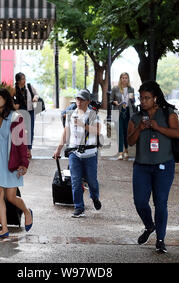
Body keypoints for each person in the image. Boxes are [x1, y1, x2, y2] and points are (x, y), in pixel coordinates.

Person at [127, 81, 179, 253]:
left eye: (147, 98)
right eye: (141, 98)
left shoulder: (168, 113)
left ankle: (160, 240)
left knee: (161, 203)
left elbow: (176, 133)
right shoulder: (135, 117)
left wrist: (158, 127)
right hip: (141, 167)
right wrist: (140, 129)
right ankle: (150, 226)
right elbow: (129, 141)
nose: (143, 101)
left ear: (155, 98)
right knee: (140, 202)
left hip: (164, 165)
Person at [0, 88, 33, 238]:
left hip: (11, 160)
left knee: (11, 197)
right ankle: (4, 229)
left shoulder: (15, 118)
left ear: (6, 99)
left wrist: (24, 163)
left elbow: (21, 143)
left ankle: (26, 211)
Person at [53, 89, 102, 218]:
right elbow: (66, 132)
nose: (79, 102)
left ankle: (94, 197)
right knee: (75, 181)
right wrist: (58, 149)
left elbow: (97, 131)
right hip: (75, 152)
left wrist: (82, 125)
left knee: (92, 181)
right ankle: (79, 207)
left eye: (82, 100)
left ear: (88, 102)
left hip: (90, 153)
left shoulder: (93, 115)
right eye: (77, 99)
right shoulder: (70, 114)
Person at [13, 72, 39, 159]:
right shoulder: (14, 89)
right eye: (22, 79)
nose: (24, 80)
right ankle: (21, 151)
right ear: (18, 81)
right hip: (20, 113)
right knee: (20, 131)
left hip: (30, 111)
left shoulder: (29, 87)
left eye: (24, 78)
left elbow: (36, 94)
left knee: (30, 130)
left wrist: (35, 98)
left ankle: (29, 150)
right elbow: (10, 100)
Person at [111, 72, 136, 160]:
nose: (124, 79)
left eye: (126, 78)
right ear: (120, 79)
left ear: (128, 79)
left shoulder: (131, 89)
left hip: (128, 112)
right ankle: (120, 152)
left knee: (126, 132)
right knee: (119, 132)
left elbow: (133, 102)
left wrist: (132, 99)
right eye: (123, 78)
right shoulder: (115, 88)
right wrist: (115, 102)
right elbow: (110, 100)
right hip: (118, 112)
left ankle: (126, 150)